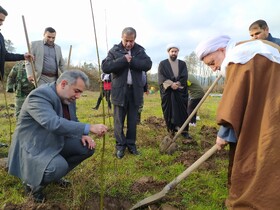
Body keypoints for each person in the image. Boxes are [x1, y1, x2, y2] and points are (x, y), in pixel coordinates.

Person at [195, 34, 280, 209]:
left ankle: (257, 201)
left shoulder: (238, 59)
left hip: (266, 120)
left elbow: (234, 103)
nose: (214, 68)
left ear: (221, 50)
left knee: (257, 156)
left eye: (212, 62)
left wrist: (224, 134)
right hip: (272, 113)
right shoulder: (259, 50)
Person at [7, 70, 108, 202]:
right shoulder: (39, 96)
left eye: (80, 92)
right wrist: (89, 127)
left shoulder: (68, 97)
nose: (78, 96)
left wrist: (82, 134)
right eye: (77, 91)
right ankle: (32, 184)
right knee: (58, 166)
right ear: (64, 84)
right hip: (33, 146)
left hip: (53, 140)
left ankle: (53, 176)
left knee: (86, 147)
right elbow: (53, 123)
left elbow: (72, 119)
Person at [101, 27, 152, 159]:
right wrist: (123, 60)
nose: (129, 43)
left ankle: (131, 145)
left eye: (131, 41)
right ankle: (120, 146)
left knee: (132, 120)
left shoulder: (140, 50)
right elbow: (106, 67)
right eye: (126, 40)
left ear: (135, 39)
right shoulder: (114, 50)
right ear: (121, 38)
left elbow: (148, 64)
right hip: (119, 91)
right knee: (118, 120)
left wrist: (132, 61)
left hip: (135, 91)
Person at [158, 43, 191, 139]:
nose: (174, 53)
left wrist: (178, 84)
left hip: (180, 91)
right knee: (169, 111)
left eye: (175, 51)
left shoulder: (182, 64)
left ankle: (184, 131)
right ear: (168, 52)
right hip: (168, 92)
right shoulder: (163, 64)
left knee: (183, 111)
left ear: (178, 52)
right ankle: (171, 130)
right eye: (172, 51)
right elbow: (161, 77)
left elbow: (184, 76)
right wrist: (171, 84)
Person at [0, 5, 33, 79]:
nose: (1, 23)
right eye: (0, 20)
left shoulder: (0, 37)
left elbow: (5, 55)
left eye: (2, 20)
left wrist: (23, 56)